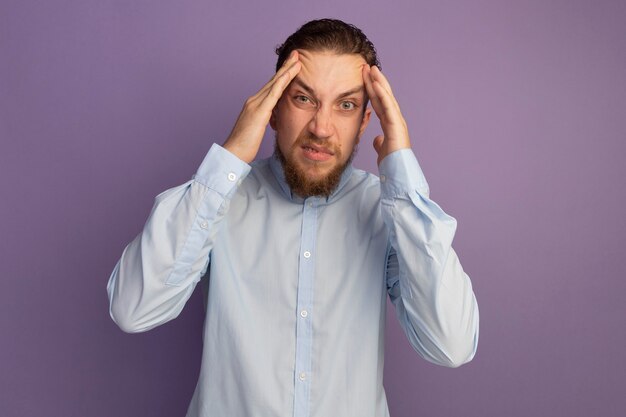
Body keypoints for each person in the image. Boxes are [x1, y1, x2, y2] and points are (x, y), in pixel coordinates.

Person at [107, 18, 479, 417]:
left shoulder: (387, 212)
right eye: (303, 99)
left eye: (346, 105)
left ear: (365, 124)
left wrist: (403, 177)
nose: (321, 127)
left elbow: (451, 345)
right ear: (272, 109)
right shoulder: (217, 201)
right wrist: (230, 158)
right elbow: (133, 309)